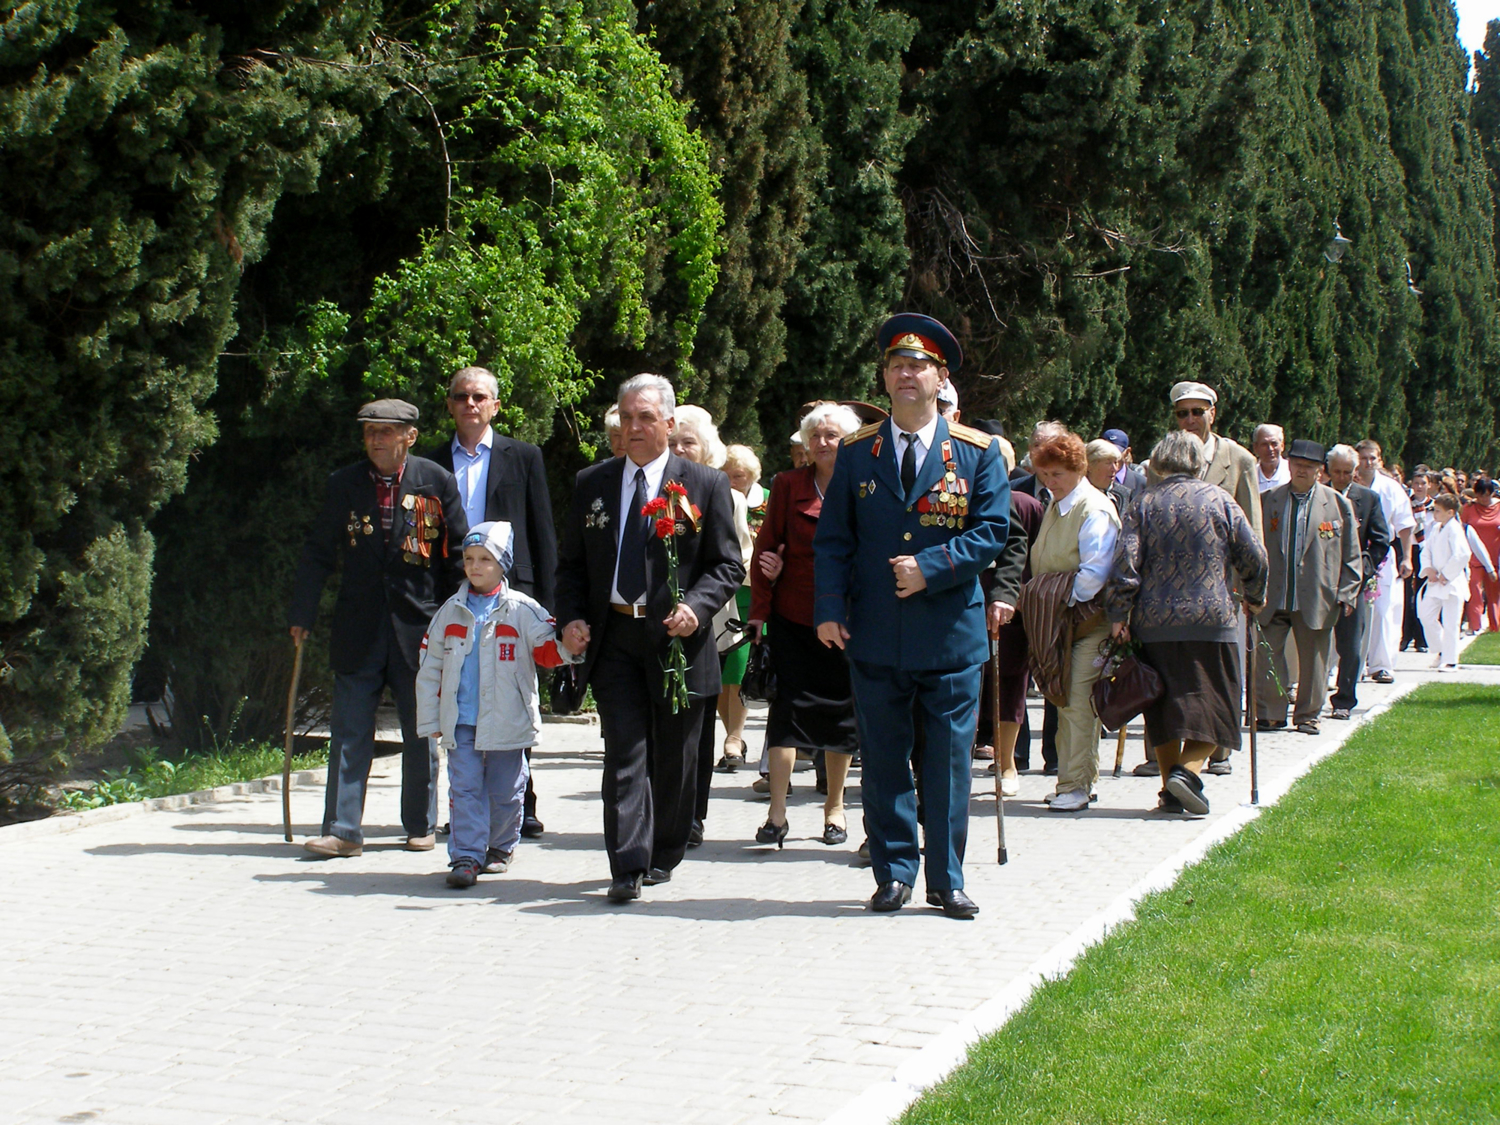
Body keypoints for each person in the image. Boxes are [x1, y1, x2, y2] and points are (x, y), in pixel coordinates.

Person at [814, 312, 1010, 918]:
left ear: (939, 378)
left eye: (919, 365)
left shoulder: (976, 453)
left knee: (948, 763)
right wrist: (827, 608)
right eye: (897, 365)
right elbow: (834, 540)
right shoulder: (856, 453)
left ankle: (946, 879)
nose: (907, 374)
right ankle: (893, 871)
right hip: (874, 633)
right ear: (885, 376)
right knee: (885, 758)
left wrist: (934, 565)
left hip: (949, 634)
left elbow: (993, 530)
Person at [555, 375, 743, 902]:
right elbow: (570, 565)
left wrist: (696, 608)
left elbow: (727, 565)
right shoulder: (592, 482)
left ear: (668, 423)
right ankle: (627, 863)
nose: (633, 428)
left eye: (644, 417)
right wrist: (569, 617)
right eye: (626, 417)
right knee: (624, 749)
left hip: (676, 640)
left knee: (676, 757)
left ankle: (665, 849)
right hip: (614, 633)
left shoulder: (704, 484)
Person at [288, 398, 467, 858]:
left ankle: (420, 824)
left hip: (419, 628)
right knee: (349, 731)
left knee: (420, 730)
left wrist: (455, 621)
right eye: (369, 431)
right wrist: (301, 614)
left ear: (410, 436)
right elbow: (317, 552)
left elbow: (456, 558)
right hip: (359, 627)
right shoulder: (344, 484)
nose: (376, 439)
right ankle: (343, 830)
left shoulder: (436, 481)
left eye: (386, 431)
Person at [1102, 431, 1268, 816]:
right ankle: (1188, 773)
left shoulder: (1143, 504)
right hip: (1213, 620)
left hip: (1153, 622)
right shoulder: (1220, 501)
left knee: (1160, 706)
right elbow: (1254, 556)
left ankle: (1170, 788)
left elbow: (1125, 565)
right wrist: (1255, 597)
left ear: (1158, 463)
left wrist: (1118, 614)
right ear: (1197, 463)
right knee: (1219, 704)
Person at [425, 365, 559, 839]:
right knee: (459, 699)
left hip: (511, 596)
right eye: (461, 396)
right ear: (450, 404)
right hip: (453, 593)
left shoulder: (522, 456)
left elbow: (541, 531)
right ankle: (463, 811)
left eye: (479, 396)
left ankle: (523, 804)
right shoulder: (431, 461)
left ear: (495, 405)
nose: (470, 404)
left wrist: (546, 600)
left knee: (511, 697)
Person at [415, 522, 584, 888]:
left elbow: (547, 649)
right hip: (462, 720)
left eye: (485, 560)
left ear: (503, 564)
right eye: (469, 559)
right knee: (465, 788)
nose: (475, 567)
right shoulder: (450, 611)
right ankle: (465, 856)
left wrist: (569, 645)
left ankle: (501, 846)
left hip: (508, 720)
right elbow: (430, 668)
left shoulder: (523, 609)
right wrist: (430, 719)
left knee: (507, 790)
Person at [748, 403, 864, 845]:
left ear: (848, 441)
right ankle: (776, 813)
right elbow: (765, 551)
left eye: (831, 435)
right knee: (786, 713)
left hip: (845, 622)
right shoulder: (787, 484)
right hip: (793, 618)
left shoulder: (863, 488)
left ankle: (835, 808)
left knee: (841, 715)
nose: (821, 442)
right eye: (814, 435)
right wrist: (760, 609)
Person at [1017, 430, 1120, 812]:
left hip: (1087, 623)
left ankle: (1078, 785)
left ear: (1079, 469)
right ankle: (1070, 782)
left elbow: (1095, 574)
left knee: (1077, 701)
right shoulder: (1055, 506)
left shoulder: (1094, 509)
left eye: (1057, 474)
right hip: (1060, 625)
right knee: (1061, 699)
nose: (1049, 482)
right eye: (1044, 475)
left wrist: (1054, 599)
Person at [667, 404, 752, 845]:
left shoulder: (726, 493)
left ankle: (693, 811)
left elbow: (737, 556)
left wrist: (700, 601)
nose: (680, 449)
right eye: (674, 441)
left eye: (689, 442)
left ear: (707, 449)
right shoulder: (652, 490)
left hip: (711, 616)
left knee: (699, 717)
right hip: (658, 617)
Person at [1255, 440, 1360, 735]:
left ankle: (1308, 715)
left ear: (1320, 471)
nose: (1302, 470)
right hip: (1274, 593)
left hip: (1316, 594)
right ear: (1289, 465)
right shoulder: (1269, 500)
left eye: (1310, 466)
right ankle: (1272, 713)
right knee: (1269, 656)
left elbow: (1352, 551)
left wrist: (1347, 591)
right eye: (1298, 464)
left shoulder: (1337, 504)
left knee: (1314, 659)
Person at [981, 483, 1045, 796]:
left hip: (1009, 611)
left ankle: (1007, 763)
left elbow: (1033, 552)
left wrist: (1020, 593)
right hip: (961, 610)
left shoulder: (1025, 504)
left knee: (1010, 689)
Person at [1325, 445, 1391, 721]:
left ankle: (1344, 699)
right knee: (1313, 642)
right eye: (1336, 472)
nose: (1341, 478)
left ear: (1355, 472)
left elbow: (1380, 541)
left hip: (1353, 581)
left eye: (1346, 472)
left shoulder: (1368, 498)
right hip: (1320, 578)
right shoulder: (1319, 496)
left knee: (1351, 644)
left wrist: (1362, 570)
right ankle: (1310, 697)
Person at [718, 443, 766, 770]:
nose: (736, 482)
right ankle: (731, 736)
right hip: (720, 592)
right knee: (722, 669)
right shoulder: (716, 499)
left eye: (742, 476)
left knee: (739, 663)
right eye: (730, 476)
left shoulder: (768, 503)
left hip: (752, 590)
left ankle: (735, 737)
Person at [1356, 440, 1415, 684]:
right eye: (1364, 458)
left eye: (1373, 458)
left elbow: (1405, 525)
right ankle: (1352, 666)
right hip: (1354, 553)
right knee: (1353, 612)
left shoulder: (1391, 488)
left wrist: (1408, 557)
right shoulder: (1348, 485)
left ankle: (1381, 665)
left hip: (1382, 555)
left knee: (1382, 612)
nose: (1369, 463)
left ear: (1379, 460)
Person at [1419, 494, 1472, 669]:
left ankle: (1450, 660)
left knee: (1451, 622)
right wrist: (1428, 569)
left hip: (1452, 582)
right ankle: (1442, 650)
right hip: (1435, 581)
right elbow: (1426, 551)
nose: (1434, 513)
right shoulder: (1436, 528)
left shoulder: (1455, 528)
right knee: (1425, 614)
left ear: (1450, 512)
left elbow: (1463, 554)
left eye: (1438, 511)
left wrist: (1446, 574)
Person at [1461, 478, 1500, 633]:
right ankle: (1475, 625)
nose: (1484, 498)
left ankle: (1495, 626)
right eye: (1480, 495)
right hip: (1474, 558)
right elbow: (1462, 529)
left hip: (1495, 555)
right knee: (1475, 591)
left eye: (1487, 495)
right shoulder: (1469, 508)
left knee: (1494, 593)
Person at [1403, 469, 1434, 653]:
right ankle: (1406, 635)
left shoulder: (1434, 505)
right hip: (1410, 549)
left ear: (1429, 484)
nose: (1419, 487)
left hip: (1427, 551)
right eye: (1416, 483)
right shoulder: (1406, 504)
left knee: (1423, 595)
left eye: (1423, 483)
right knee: (1407, 595)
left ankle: (1421, 638)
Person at [1086, 438, 1131, 515]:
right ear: (1089, 465)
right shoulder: (1073, 492)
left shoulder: (1121, 495)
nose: (1115, 469)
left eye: (1115, 462)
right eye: (1108, 463)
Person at [1103, 428, 1146, 500]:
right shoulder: (1091, 478)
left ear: (1127, 452)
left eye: (1116, 452)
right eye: (1106, 451)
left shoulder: (1142, 484)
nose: (1111, 456)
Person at [1253, 424, 1290, 493]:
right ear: (1255, 447)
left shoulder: (1291, 472)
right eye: (1264, 444)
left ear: (1282, 446)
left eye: (1274, 444)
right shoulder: (1250, 475)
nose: (1270, 449)